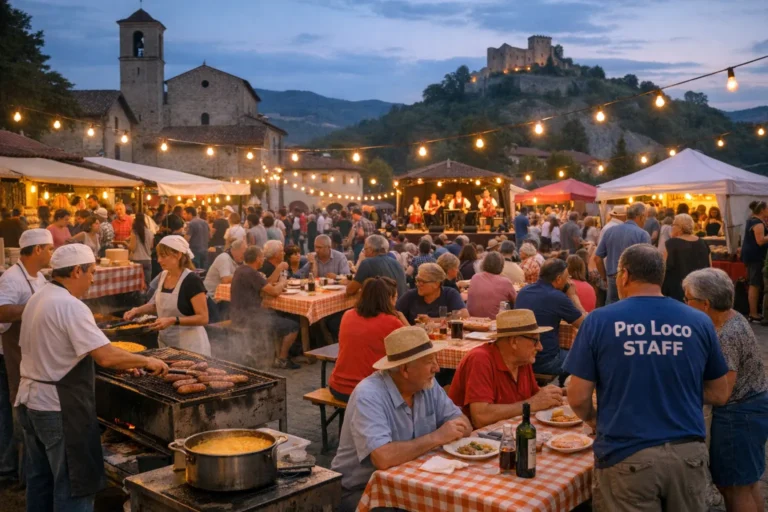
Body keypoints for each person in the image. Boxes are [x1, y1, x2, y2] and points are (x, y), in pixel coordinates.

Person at [564, 244, 730, 512]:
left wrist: (594, 419)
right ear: (660, 277)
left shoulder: (598, 321)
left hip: (626, 455)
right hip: (687, 456)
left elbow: (578, 395)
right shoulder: (698, 321)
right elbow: (720, 393)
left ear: (625, 276)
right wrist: (673, 390)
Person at [15, 244, 168, 511]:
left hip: (29, 402)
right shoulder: (70, 306)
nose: (93, 279)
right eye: (91, 272)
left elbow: (56, 350)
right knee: (75, 487)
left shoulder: (38, 298)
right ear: (77, 271)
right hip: (57, 407)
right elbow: (106, 355)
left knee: (41, 480)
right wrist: (147, 360)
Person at [331, 326, 472, 511]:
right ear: (405, 370)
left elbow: (464, 424)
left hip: (412, 482)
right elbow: (383, 458)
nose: (437, 368)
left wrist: (451, 430)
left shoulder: (426, 384)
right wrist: (437, 437)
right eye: (430, 361)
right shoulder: (369, 394)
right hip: (361, 490)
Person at [682, 268, 768, 511]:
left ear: (706, 304)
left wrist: (679, 390)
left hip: (739, 415)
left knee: (734, 487)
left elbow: (721, 394)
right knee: (746, 483)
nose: (684, 303)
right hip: (751, 410)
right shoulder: (732, 318)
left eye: (687, 298)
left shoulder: (726, 335)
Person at [449, 309, 564, 428]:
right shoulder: (480, 359)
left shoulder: (522, 360)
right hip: (476, 440)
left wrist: (561, 392)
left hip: (509, 431)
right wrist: (530, 404)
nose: (540, 347)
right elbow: (481, 417)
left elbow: (534, 396)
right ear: (514, 342)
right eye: (535, 341)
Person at [0, 230, 53, 483]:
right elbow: (2, 311)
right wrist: (36, 307)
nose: (52, 253)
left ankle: (21, 468)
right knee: (11, 414)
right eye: (49, 248)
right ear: (37, 250)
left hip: (31, 354)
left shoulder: (41, 277)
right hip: (11, 356)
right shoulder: (11, 278)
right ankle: (9, 469)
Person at [124, 236, 210, 355]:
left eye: (163, 256)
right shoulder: (163, 276)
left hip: (190, 346)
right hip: (166, 344)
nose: (159, 260)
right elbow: (156, 305)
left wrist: (173, 320)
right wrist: (137, 310)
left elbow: (203, 318)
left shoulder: (192, 280)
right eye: (158, 256)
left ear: (178, 255)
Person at [329, 277, 408, 402]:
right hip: (369, 392)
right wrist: (403, 319)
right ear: (388, 299)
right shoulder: (391, 322)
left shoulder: (348, 315)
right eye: (395, 298)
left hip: (338, 387)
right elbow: (416, 346)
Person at [229, 246, 301, 370]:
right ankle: (282, 360)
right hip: (250, 318)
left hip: (239, 315)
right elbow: (274, 292)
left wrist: (278, 270)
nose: (263, 260)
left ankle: (275, 354)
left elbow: (266, 282)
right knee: (293, 326)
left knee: (277, 316)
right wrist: (283, 282)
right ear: (257, 258)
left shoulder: (242, 270)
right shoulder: (251, 273)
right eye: (262, 257)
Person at [515, 258, 585, 376]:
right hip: (545, 361)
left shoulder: (523, 291)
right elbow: (585, 324)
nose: (568, 281)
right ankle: (565, 391)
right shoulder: (557, 297)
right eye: (567, 277)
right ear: (558, 279)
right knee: (583, 359)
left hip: (520, 357)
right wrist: (573, 296)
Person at [596, 202, 651, 305]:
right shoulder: (642, 234)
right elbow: (647, 262)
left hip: (613, 278)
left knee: (612, 311)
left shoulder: (610, 231)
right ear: (642, 216)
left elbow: (597, 258)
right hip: (634, 281)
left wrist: (605, 277)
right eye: (646, 217)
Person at [396, 263, 468, 324]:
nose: (417, 284)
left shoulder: (450, 294)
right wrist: (408, 327)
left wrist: (431, 320)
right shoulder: (411, 295)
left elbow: (464, 315)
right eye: (417, 280)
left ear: (436, 284)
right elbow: (393, 312)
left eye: (422, 282)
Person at [662, 214, 711, 302]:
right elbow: (710, 267)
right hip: (699, 291)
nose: (671, 227)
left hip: (676, 292)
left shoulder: (671, 244)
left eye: (673, 225)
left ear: (679, 227)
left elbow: (662, 269)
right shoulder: (703, 243)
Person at [467, 252, 517, 318]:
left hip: (472, 320)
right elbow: (518, 300)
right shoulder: (505, 282)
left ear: (484, 264)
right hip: (494, 323)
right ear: (501, 266)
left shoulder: (475, 277)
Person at [741, 201, 768, 322]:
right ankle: (753, 314)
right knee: (755, 284)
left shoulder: (752, 220)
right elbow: (760, 241)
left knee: (754, 283)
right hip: (755, 257)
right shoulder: (757, 223)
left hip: (752, 256)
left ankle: (754, 312)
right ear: (762, 210)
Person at [128, 213, 154, 290]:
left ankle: (139, 301)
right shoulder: (150, 232)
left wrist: (125, 243)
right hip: (147, 260)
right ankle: (146, 300)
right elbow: (151, 246)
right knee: (147, 284)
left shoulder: (134, 232)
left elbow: (132, 248)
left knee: (137, 285)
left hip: (136, 260)